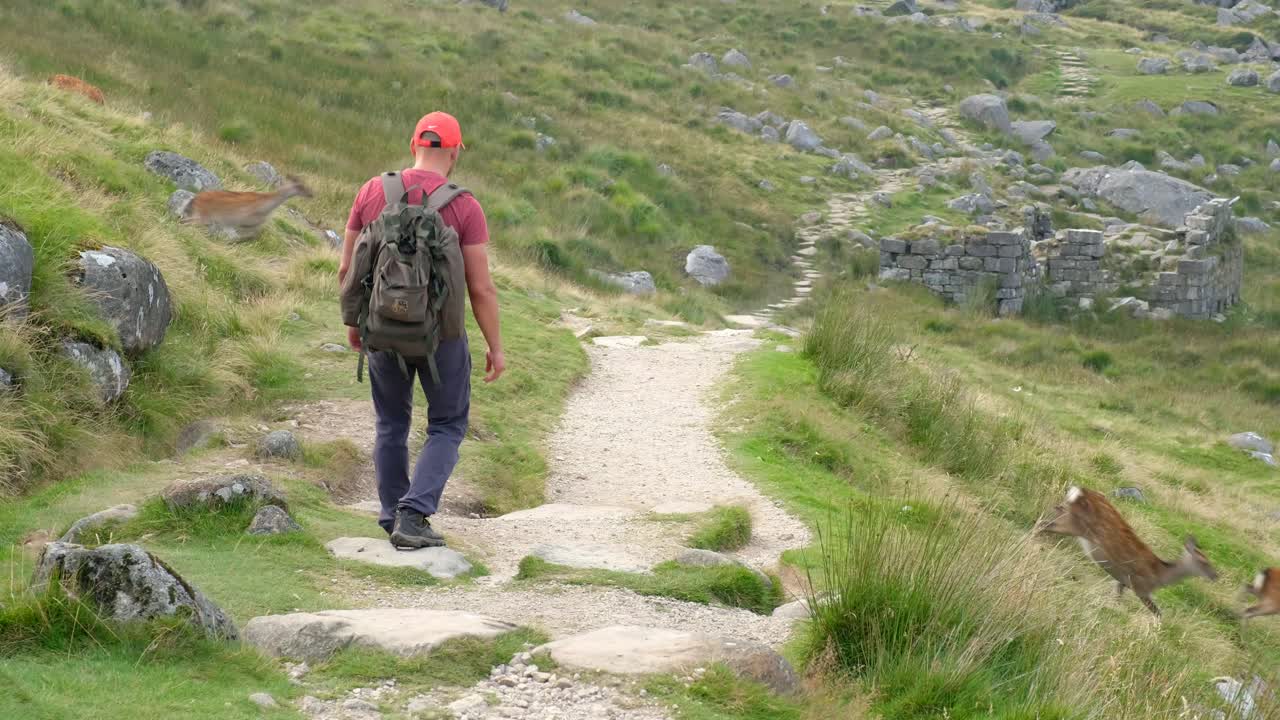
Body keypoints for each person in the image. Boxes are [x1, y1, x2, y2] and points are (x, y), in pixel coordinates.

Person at [338, 111, 504, 548]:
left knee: (391, 423)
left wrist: (355, 323)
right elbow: (481, 288)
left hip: (381, 329)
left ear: (414, 145)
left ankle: (393, 514)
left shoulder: (372, 191)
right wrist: (495, 346)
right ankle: (413, 516)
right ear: (454, 153)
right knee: (447, 424)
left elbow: (347, 268)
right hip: (441, 338)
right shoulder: (465, 206)